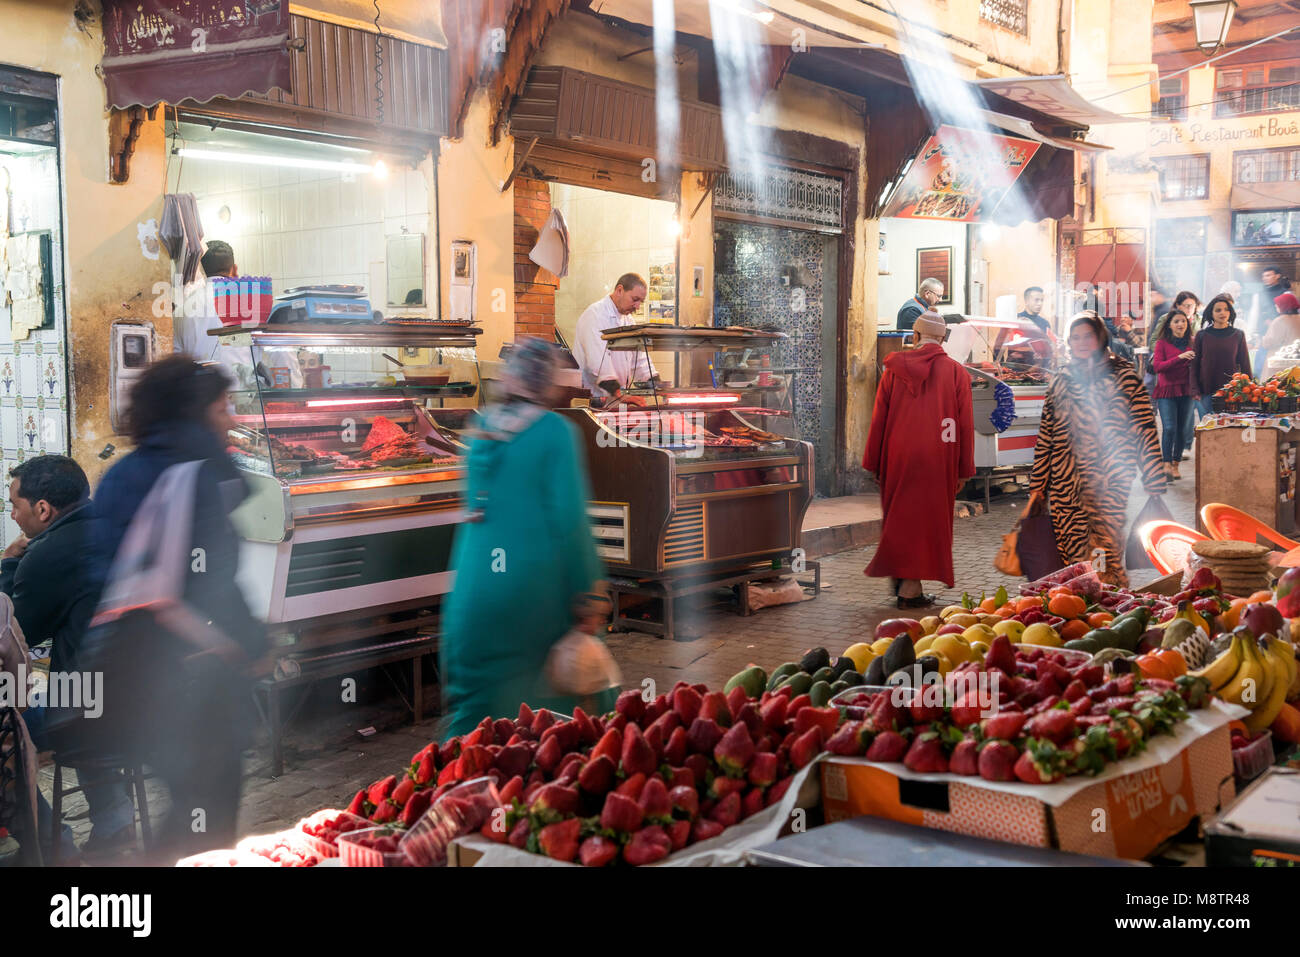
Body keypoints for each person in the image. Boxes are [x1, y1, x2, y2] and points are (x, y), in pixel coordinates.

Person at [87, 356, 265, 861]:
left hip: (129, 674)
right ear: (198, 411)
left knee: (191, 804)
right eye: (222, 406)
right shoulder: (195, 472)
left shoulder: (123, 473)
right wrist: (249, 642)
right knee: (204, 813)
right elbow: (208, 581)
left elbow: (105, 572)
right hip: (189, 675)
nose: (230, 417)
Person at [441, 338, 613, 734]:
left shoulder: (479, 428)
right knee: (555, 724)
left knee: (474, 721)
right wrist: (590, 595)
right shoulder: (555, 432)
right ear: (549, 382)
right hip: (532, 599)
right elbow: (571, 523)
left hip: (471, 597)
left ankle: (452, 791)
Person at [2, 456, 134, 857]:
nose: (12, 515)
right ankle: (115, 822)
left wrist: (8, 565)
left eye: (15, 505)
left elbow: (15, 635)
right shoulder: (120, 526)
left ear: (43, 509)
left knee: (8, 731)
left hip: (89, 708)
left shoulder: (48, 554)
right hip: (149, 690)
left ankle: (54, 846)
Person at [1029, 312, 1166, 588]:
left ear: (1101, 337)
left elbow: (1145, 431)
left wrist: (1153, 480)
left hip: (1110, 480)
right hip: (1065, 481)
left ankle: (1109, 604)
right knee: (1071, 550)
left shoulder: (1126, 377)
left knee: (1104, 549)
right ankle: (1076, 604)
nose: (1080, 342)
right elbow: (1047, 434)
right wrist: (1038, 484)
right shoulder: (1062, 379)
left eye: (1087, 336)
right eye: (1075, 337)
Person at [863, 312, 974, 608]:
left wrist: (874, 462)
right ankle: (909, 589)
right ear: (942, 340)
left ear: (914, 337)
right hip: (940, 457)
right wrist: (964, 470)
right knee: (927, 522)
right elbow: (962, 426)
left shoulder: (892, 371)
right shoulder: (956, 373)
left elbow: (879, 421)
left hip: (898, 456)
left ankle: (905, 582)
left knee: (902, 518)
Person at [572, 273, 657, 405]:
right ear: (619, 290)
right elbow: (599, 364)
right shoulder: (595, 315)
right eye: (635, 299)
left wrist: (655, 382)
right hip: (594, 400)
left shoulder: (628, 320)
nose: (637, 306)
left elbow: (640, 360)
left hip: (618, 400)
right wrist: (621, 394)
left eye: (641, 301)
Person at [172, 240, 251, 378]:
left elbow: (176, 357)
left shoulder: (182, 309)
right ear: (233, 268)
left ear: (202, 269)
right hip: (242, 394)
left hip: (200, 393)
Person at [1191, 295, 1252, 421]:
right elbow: (1194, 365)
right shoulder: (1202, 335)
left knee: (1230, 429)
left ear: (1230, 312)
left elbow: (1245, 364)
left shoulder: (1238, 335)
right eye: (1218, 310)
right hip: (1206, 390)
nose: (1222, 313)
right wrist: (1194, 389)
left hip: (1232, 392)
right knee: (1208, 429)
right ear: (1211, 313)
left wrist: (1250, 389)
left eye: (1226, 309)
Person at [1151, 311, 1196, 481]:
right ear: (1169, 324)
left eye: (1183, 321)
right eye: (1176, 321)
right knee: (1169, 428)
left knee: (1182, 429)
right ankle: (1166, 463)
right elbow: (1158, 367)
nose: (1180, 324)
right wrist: (1179, 358)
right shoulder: (1162, 344)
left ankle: (1176, 464)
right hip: (1166, 390)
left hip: (1186, 391)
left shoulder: (1193, 342)